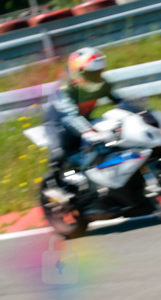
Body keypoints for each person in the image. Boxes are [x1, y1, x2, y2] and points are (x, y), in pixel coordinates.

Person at [43, 47, 132, 200]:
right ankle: (57, 184)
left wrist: (140, 114)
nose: (96, 77)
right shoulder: (65, 90)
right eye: (91, 73)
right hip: (58, 125)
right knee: (60, 152)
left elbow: (121, 101)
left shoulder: (102, 84)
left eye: (98, 72)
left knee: (112, 140)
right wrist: (89, 132)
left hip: (82, 121)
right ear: (78, 72)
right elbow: (70, 116)